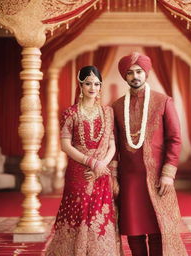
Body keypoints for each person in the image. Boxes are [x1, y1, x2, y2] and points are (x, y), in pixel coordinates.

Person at [112, 52, 188, 256]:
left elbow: (175, 139)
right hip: (129, 178)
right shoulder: (116, 107)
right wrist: (113, 176)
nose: (134, 76)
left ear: (146, 73)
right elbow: (113, 144)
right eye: (129, 73)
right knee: (133, 231)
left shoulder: (163, 101)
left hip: (157, 177)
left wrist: (168, 174)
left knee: (157, 229)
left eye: (138, 71)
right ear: (124, 76)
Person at [46, 66, 120, 256]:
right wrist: (91, 162)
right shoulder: (70, 113)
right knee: (77, 211)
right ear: (80, 85)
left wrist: (101, 164)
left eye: (96, 84)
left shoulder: (108, 112)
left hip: (101, 172)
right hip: (78, 172)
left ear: (100, 86)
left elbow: (112, 144)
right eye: (88, 83)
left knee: (98, 213)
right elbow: (65, 145)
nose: (92, 87)